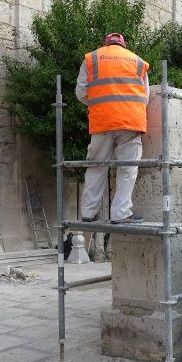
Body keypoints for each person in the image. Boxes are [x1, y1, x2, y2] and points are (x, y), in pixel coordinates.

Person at [75, 33, 149, 224]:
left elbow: (81, 91)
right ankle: (121, 213)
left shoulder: (92, 58)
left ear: (105, 44)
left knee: (96, 166)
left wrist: (100, 105)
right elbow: (145, 96)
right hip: (130, 121)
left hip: (102, 122)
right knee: (127, 169)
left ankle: (88, 214)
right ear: (124, 45)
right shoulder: (138, 62)